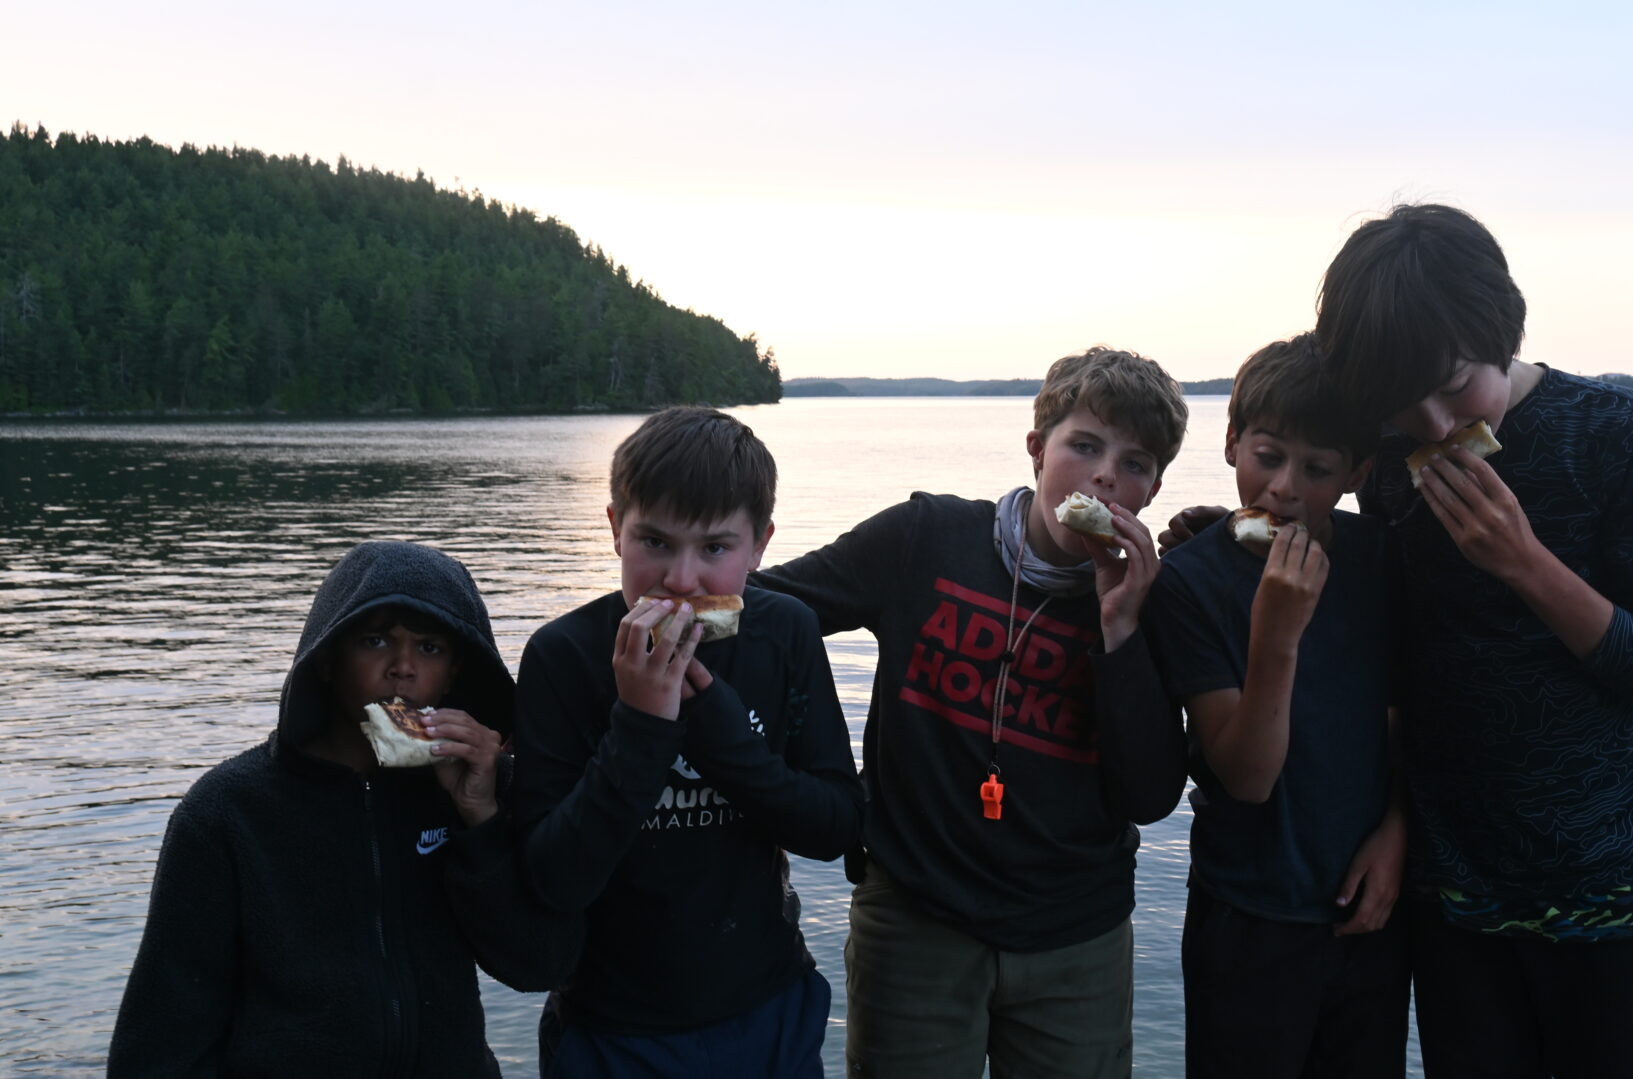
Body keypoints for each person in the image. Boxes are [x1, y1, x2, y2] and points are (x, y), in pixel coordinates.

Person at [1315, 203, 1633, 1078]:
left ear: (1501, 325)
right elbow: (1402, 669)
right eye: (1399, 403)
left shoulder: (1621, 433)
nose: (1433, 423)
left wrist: (1526, 563)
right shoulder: (1390, 467)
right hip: (1454, 904)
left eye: (1454, 384)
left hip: (1617, 895)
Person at [752, 346, 1191, 1077]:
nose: (1107, 473)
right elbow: (771, 608)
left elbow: (1148, 796)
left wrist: (1119, 625)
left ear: (1152, 489)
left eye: (1137, 462)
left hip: (1075, 936)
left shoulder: (1154, 598)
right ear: (1036, 448)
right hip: (917, 919)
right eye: (1084, 445)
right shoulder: (924, 538)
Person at [110, 541, 574, 1077]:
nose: (402, 668)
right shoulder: (227, 812)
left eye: (429, 648)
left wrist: (482, 818)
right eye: (375, 641)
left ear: (452, 673)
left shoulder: (482, 788)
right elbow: (160, 1040)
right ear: (328, 659)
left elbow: (541, 964)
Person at [512, 406, 861, 1078]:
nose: (681, 578)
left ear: (760, 545)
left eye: (716, 548)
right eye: (656, 542)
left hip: (766, 1004)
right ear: (616, 529)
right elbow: (552, 877)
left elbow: (837, 823)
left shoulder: (784, 631)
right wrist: (641, 725)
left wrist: (715, 726)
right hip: (613, 1022)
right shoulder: (563, 656)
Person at [1147, 334, 1409, 1078]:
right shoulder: (1190, 582)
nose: (1284, 488)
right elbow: (1248, 776)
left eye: (1318, 468)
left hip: (1369, 908)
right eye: (1267, 455)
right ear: (1231, 442)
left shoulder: (1379, 558)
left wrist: (1399, 828)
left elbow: (1411, 713)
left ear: (1356, 473)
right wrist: (1277, 633)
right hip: (1247, 912)